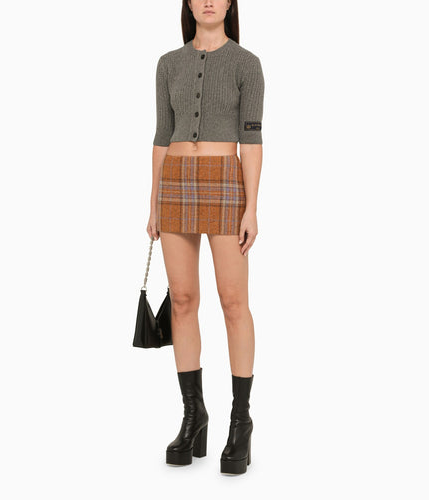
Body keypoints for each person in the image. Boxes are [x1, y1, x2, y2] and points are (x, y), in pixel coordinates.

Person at [146, 0, 264, 475]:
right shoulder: (167, 64)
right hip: (175, 180)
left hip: (226, 182)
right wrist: (153, 202)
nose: (209, 0)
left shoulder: (246, 64)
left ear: (230, 2)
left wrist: (251, 206)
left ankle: (241, 422)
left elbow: (251, 140)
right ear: (189, 3)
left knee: (233, 302)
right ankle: (193, 416)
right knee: (182, 300)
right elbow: (161, 135)